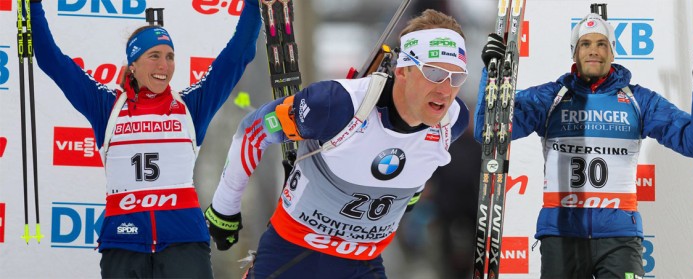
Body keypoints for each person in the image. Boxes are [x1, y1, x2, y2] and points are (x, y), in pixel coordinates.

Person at [204, 9, 470, 278]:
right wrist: (224, 208)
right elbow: (253, 129)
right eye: (434, 73)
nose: (445, 90)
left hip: (363, 264)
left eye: (457, 77)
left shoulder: (451, 120)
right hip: (293, 256)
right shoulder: (336, 105)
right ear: (403, 70)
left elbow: (421, 159)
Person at [27, 0, 262, 277]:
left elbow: (238, 54)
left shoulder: (191, 106)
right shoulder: (106, 107)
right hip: (124, 243)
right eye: (154, 55)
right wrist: (33, 7)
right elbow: (51, 60)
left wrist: (254, 5)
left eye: (170, 56)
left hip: (184, 243)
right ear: (134, 64)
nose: (164, 64)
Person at [475, 13, 693, 278]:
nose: (594, 51)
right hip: (562, 234)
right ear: (574, 52)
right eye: (586, 44)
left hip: (620, 239)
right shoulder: (550, 98)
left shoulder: (638, 100)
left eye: (602, 44)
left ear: (612, 52)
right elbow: (489, 132)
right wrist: (491, 75)